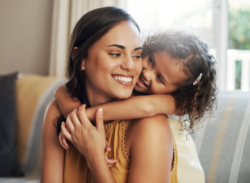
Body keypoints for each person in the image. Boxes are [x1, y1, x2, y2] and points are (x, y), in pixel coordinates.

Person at [56, 30, 217, 182]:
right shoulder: (129, 85)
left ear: (178, 92)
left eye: (160, 78)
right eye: (151, 60)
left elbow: (145, 107)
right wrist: (74, 121)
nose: (147, 74)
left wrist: (83, 117)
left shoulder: (177, 103)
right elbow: (62, 91)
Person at [41, 7, 178, 183]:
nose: (130, 66)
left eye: (137, 55)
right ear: (79, 58)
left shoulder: (151, 125)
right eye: (115, 53)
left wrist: (95, 158)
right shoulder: (57, 113)